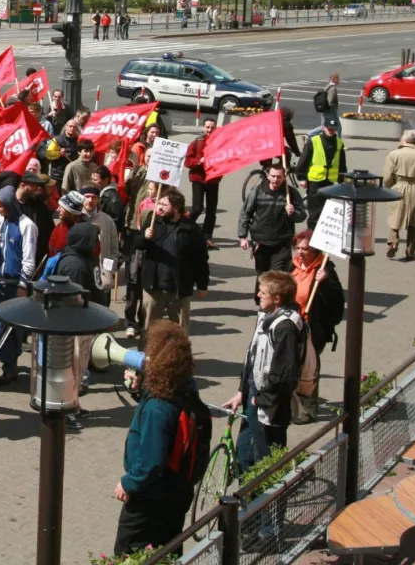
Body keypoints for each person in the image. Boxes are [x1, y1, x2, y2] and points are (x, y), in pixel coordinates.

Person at [112, 321, 207, 557]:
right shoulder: (184, 387)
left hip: (150, 499)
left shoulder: (158, 407)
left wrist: (129, 482)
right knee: (168, 550)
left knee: (129, 555)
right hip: (177, 492)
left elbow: (152, 458)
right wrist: (139, 391)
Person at [224, 271, 305, 475]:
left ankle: (268, 505)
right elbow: (252, 358)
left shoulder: (286, 327)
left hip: (269, 405)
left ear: (277, 299)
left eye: (262, 292)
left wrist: (262, 399)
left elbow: (284, 373)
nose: (258, 295)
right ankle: (245, 501)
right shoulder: (265, 316)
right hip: (254, 394)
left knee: (266, 459)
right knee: (245, 453)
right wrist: (241, 392)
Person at [290, 231, 345, 424]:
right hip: (291, 327)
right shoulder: (292, 267)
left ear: (315, 250)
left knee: (308, 370)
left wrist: (325, 284)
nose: (300, 252)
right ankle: (291, 407)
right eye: (297, 248)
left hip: (313, 330)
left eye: (304, 249)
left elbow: (337, 304)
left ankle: (307, 411)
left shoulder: (325, 270)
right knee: (290, 367)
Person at [0, 184, 38, 386]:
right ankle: (8, 364)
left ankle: (10, 366)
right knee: (0, 325)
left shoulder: (27, 226)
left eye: (0, 206)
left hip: (14, 285)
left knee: (12, 328)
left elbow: (29, 258)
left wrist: (23, 284)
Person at [138, 190, 209, 331]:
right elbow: (136, 246)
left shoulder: (191, 228)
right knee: (149, 331)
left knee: (180, 331)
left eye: (164, 204)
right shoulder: (153, 223)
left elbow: (200, 258)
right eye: (159, 203)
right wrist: (143, 237)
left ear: (176, 207)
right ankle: (147, 353)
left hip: (179, 289)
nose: (159, 207)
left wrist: (202, 284)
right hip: (154, 287)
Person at [238, 164, 306, 278]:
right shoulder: (258, 191)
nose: (275, 179)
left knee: (278, 277)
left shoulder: (291, 193)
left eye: (279, 177)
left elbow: (302, 216)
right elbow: (246, 213)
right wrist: (242, 236)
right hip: (261, 241)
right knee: (263, 276)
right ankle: (260, 296)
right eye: (273, 176)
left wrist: (293, 213)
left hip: (282, 242)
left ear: (284, 177)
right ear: (267, 176)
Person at [381, 129, 415, 260]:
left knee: (395, 216)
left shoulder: (394, 154)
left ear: (404, 140)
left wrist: (389, 187)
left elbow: (388, 176)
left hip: (399, 186)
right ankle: (410, 251)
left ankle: (393, 241)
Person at [296, 116, 345, 228]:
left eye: (333, 129)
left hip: (329, 181)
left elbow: (342, 163)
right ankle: (311, 233)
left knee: (326, 209)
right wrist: (302, 178)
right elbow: (304, 160)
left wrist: (342, 179)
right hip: (315, 181)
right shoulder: (314, 141)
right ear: (323, 128)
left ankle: (321, 233)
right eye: (329, 129)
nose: (331, 131)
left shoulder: (339, 143)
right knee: (314, 210)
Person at [184, 119, 220, 246]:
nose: (209, 130)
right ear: (203, 128)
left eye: (212, 127)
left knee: (211, 211)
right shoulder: (197, 142)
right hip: (198, 179)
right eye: (207, 127)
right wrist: (199, 161)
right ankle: (185, 227)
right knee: (197, 208)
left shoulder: (219, 143)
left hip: (213, 180)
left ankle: (206, 237)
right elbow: (187, 161)